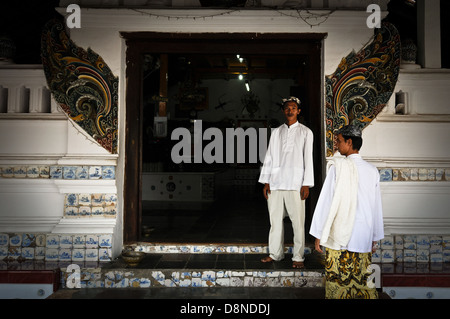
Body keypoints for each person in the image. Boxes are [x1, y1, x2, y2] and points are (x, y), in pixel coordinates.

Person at [309, 124, 384, 299]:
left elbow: (326, 202)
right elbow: (376, 207)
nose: (337, 145)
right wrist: (374, 237)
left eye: (339, 141)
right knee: (363, 283)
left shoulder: (337, 168)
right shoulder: (372, 171)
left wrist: (319, 233)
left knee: (338, 284)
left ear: (349, 142)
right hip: (363, 234)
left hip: (340, 234)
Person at [258, 96, 314, 269]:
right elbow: (269, 157)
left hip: (296, 184)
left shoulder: (306, 132)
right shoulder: (276, 132)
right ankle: (275, 253)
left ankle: (298, 257)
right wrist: (266, 181)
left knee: (298, 222)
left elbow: (308, 159)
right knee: (275, 221)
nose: (290, 110)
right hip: (275, 183)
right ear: (283, 111)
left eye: (293, 108)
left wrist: (306, 183)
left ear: (298, 111)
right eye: (287, 108)